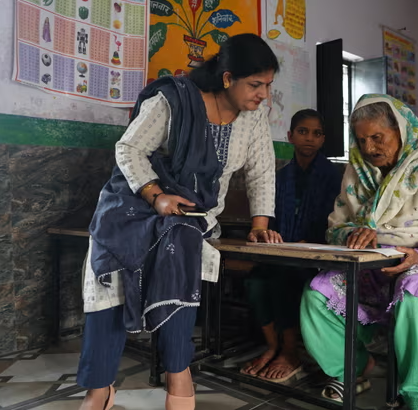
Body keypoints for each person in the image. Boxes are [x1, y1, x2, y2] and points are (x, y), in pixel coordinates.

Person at [78, 34, 282, 410]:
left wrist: (259, 223)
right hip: (135, 203)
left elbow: (262, 172)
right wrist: (157, 196)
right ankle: (99, 387)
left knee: (181, 242)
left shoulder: (253, 120)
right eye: (256, 85)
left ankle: (178, 372)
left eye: (268, 86)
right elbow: (129, 148)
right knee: (110, 262)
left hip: (193, 217)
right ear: (227, 78)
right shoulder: (172, 100)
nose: (263, 95)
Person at [300, 94, 418, 410]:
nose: (369, 148)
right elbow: (335, 226)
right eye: (362, 140)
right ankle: (352, 369)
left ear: (401, 131)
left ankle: (417, 393)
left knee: (413, 296)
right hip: (371, 261)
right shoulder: (358, 172)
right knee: (318, 293)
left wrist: (417, 256)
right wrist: (354, 232)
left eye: (377, 137)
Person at [241, 109, 342, 382]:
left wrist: (307, 243)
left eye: (316, 133)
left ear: (323, 140)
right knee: (256, 281)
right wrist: (266, 235)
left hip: (320, 257)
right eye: (303, 132)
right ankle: (272, 346)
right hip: (282, 253)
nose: (309, 138)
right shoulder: (280, 177)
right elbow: (268, 219)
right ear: (290, 137)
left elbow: (338, 224)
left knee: (283, 278)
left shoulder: (335, 176)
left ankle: (290, 351)